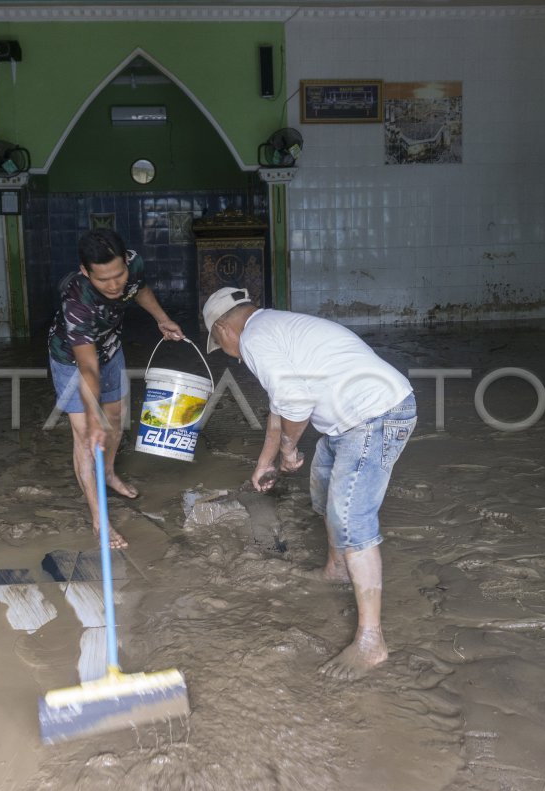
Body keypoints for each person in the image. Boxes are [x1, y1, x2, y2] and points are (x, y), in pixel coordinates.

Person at [202, 287, 416, 680]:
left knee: (350, 516)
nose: (228, 354)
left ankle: (372, 642)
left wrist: (287, 450)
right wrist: (264, 463)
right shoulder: (272, 329)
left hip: (375, 416)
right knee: (322, 487)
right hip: (351, 420)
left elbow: (295, 405)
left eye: (220, 345)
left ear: (222, 329)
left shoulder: (254, 340)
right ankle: (336, 570)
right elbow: (280, 408)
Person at [48, 230, 184, 550]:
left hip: (110, 348)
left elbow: (139, 289)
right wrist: (93, 418)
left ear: (125, 261)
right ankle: (100, 519)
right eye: (103, 279)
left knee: (118, 417)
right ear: (85, 271)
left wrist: (161, 319)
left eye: (118, 273)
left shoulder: (132, 266)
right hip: (73, 361)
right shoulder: (76, 302)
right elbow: (88, 368)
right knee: (86, 436)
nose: (114, 284)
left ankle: (107, 473)